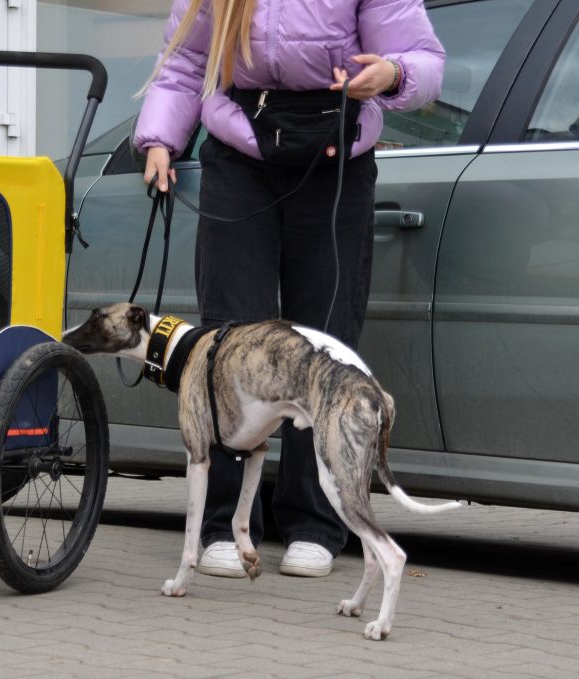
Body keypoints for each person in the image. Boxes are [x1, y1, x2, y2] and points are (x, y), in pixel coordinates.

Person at [133, 0, 444, 578]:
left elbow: (423, 59)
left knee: (324, 343)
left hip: (337, 158)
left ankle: (316, 521)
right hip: (240, 154)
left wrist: (392, 75)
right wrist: (159, 139)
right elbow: (183, 65)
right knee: (229, 343)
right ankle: (223, 521)